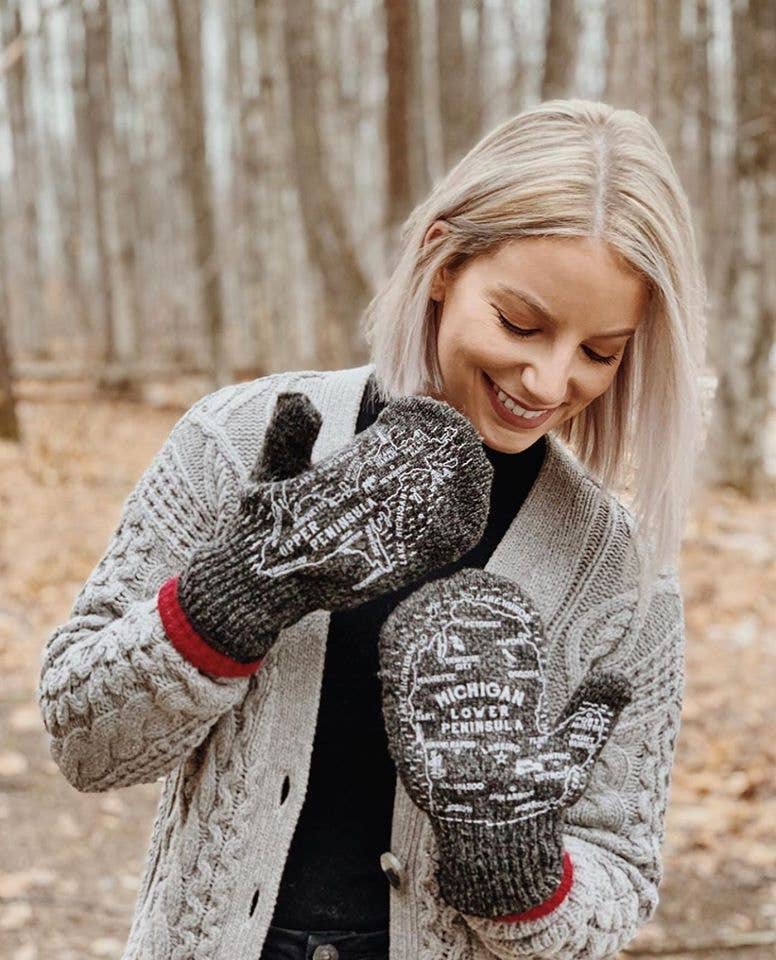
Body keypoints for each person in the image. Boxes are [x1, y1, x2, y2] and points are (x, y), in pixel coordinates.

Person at [36, 98, 707, 960]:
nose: (547, 379)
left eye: (600, 352)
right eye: (520, 324)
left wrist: (521, 877)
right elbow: (85, 743)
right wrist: (232, 595)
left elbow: (620, 877)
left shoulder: (623, 576)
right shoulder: (232, 442)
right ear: (441, 263)